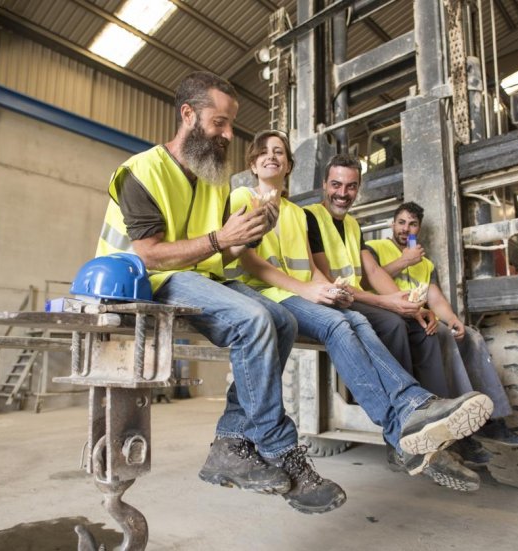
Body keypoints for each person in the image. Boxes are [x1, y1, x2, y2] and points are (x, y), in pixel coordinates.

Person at [95, 72, 346, 514]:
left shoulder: (214, 180)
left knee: (281, 319)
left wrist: (246, 237)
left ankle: (230, 444)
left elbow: (220, 257)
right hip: (142, 280)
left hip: (198, 277)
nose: (229, 134)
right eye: (220, 123)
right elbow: (151, 254)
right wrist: (219, 240)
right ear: (188, 115)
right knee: (252, 320)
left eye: (231, 125)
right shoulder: (142, 171)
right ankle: (279, 446)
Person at [230, 130, 494, 492]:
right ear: (252, 162)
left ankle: (419, 408)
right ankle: (401, 424)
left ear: (290, 164)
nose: (272, 156)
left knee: (356, 319)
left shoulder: (295, 213)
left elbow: (309, 266)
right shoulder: (243, 197)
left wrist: (327, 288)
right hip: (270, 295)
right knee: (347, 324)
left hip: (307, 293)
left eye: (279, 152)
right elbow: (249, 261)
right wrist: (315, 289)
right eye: (264, 152)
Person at [304, 155, 518, 488]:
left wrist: (411, 307)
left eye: (350, 186)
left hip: (356, 296)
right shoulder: (313, 218)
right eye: (336, 185)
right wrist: (391, 303)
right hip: (332, 298)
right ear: (324, 186)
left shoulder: (353, 225)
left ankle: (436, 420)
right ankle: (402, 429)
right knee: (392, 325)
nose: (343, 193)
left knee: (425, 330)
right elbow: (337, 279)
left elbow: (374, 275)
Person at [366, 202, 518, 450]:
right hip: (389, 317)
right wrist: (403, 261)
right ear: (392, 224)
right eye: (401, 222)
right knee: (440, 335)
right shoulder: (374, 248)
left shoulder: (426, 263)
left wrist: (453, 319)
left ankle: (491, 420)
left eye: (412, 224)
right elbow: (369, 277)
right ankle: (457, 433)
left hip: (418, 316)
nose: (405, 228)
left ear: (418, 228)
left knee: (468, 336)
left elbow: (434, 296)